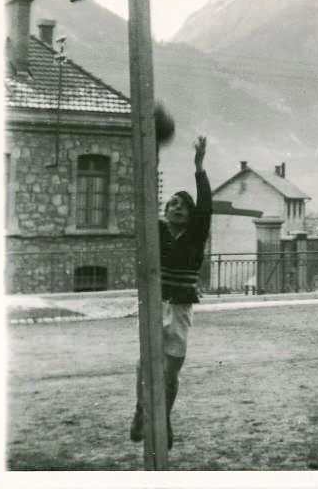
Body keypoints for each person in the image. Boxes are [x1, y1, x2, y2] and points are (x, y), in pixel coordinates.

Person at [130, 135, 211, 448]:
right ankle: (140, 411)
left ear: (190, 215)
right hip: (154, 304)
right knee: (144, 363)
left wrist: (199, 166)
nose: (176, 208)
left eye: (182, 205)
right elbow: (146, 195)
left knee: (170, 370)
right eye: (171, 204)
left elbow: (205, 203)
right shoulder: (158, 232)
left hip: (179, 308)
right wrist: (152, 154)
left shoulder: (195, 236)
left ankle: (162, 417)